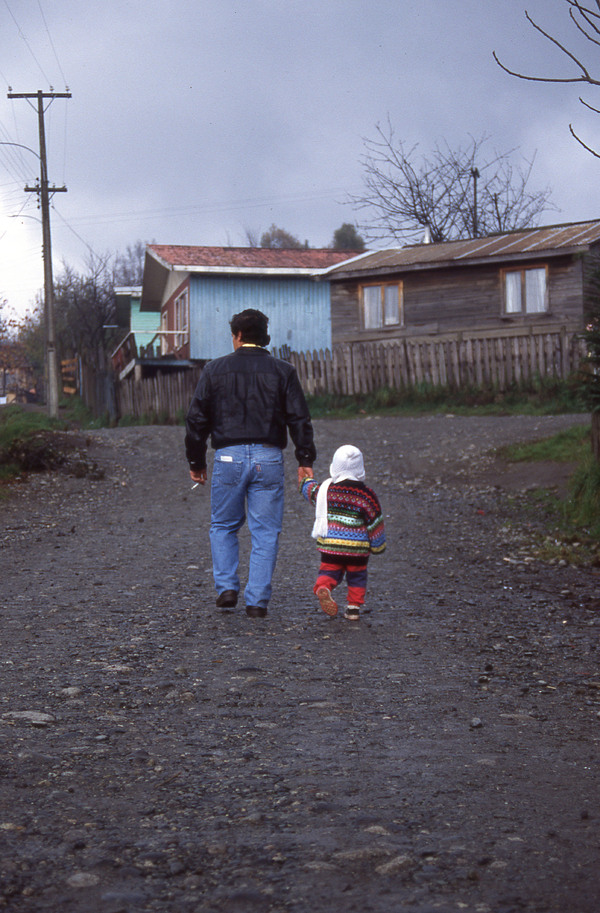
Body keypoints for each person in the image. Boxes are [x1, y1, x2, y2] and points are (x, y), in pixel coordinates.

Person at [185, 308, 316, 618]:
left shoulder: (214, 370)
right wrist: (304, 457)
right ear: (263, 336)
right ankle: (257, 601)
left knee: (222, 526)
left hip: (227, 457)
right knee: (266, 531)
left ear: (238, 336)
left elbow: (196, 418)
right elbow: (299, 417)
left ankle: (227, 588)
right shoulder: (283, 371)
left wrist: (196, 460)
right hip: (268, 457)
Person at [299, 444, 385, 620]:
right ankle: (353, 608)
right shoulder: (366, 495)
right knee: (357, 576)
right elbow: (375, 522)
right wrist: (377, 546)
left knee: (329, 570)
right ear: (360, 468)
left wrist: (305, 481)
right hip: (358, 549)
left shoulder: (325, 490)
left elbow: (310, 491)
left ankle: (324, 587)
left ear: (334, 467)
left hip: (331, 546)